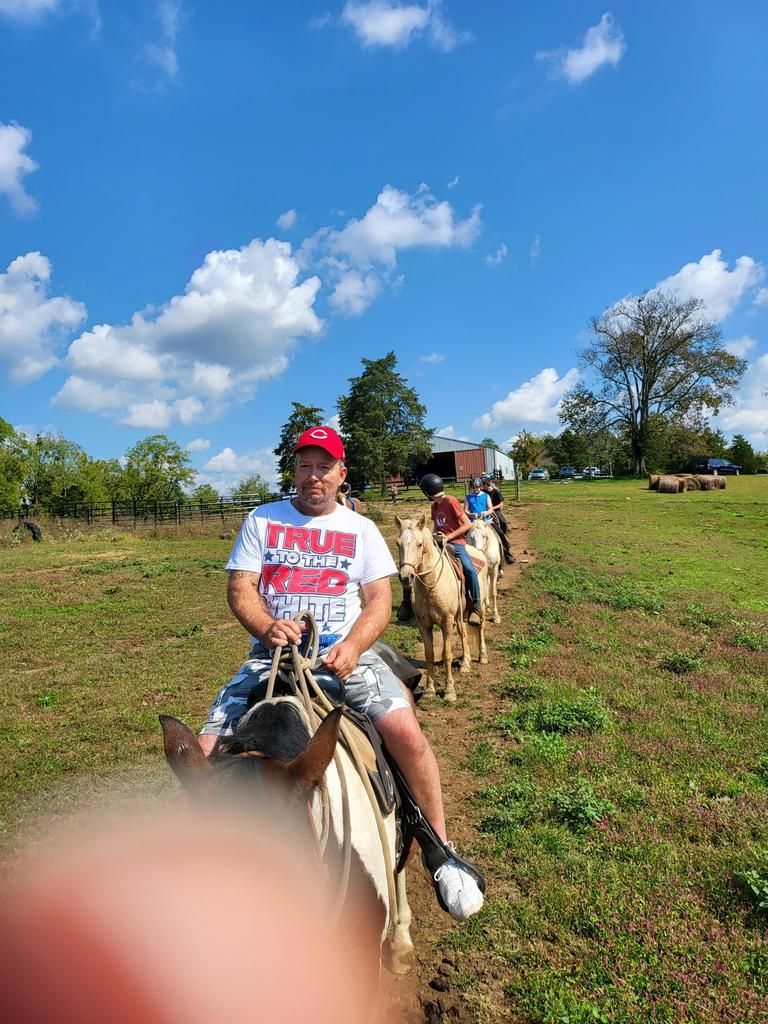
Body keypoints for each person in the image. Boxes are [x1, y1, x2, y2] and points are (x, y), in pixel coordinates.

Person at [200, 427, 484, 921]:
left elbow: (379, 600)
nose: (314, 476)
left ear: (340, 475)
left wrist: (353, 646)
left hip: (343, 654)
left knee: (406, 734)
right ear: (295, 471)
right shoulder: (261, 520)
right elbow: (241, 589)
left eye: (324, 467)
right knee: (203, 755)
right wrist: (267, 626)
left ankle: (441, 850)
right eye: (305, 466)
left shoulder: (362, 531)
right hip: (272, 657)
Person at [420, 473, 481, 623]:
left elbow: (468, 524)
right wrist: (435, 536)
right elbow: (436, 527)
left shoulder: (451, 501)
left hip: (456, 543)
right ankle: (409, 604)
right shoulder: (434, 506)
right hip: (439, 543)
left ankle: (475, 607)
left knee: (470, 570)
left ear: (428, 492)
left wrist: (448, 537)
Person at [481, 474, 515, 565]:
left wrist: (492, 509)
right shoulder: (482, 493)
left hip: (495, 511)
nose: (481, 487)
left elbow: (501, 504)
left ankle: (507, 553)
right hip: (485, 512)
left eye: (482, 485)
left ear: (485, 485)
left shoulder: (495, 492)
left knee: (503, 522)